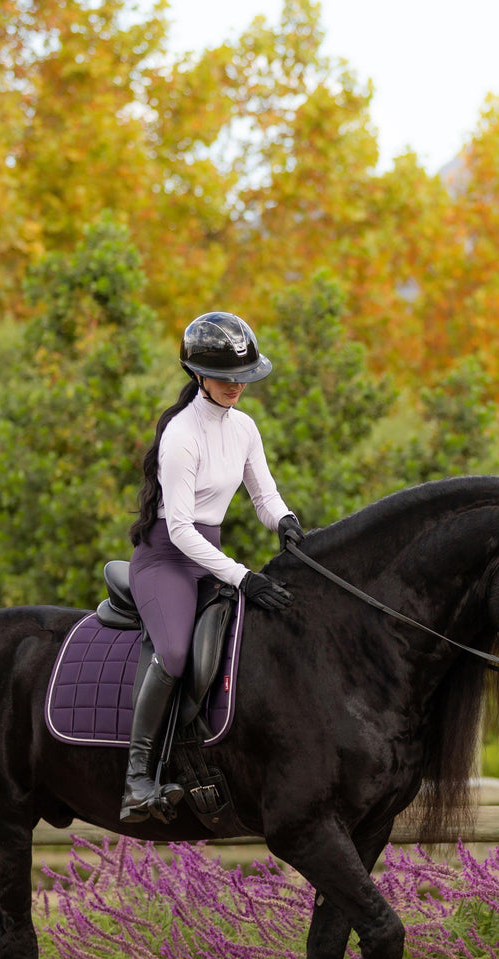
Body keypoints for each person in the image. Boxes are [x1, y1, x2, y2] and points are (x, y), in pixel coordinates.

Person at [121, 311, 304, 822]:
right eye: (225, 376)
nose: (236, 386)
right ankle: (137, 778)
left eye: (243, 376)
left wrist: (286, 521)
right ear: (198, 374)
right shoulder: (182, 435)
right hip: (167, 560)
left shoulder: (243, 427)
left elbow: (264, 496)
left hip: (208, 558)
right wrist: (243, 576)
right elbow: (181, 530)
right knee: (175, 653)